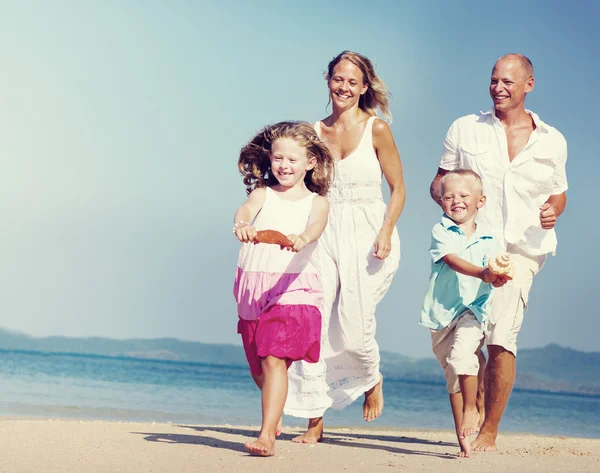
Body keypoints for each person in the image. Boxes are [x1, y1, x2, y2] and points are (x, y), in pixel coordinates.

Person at [429, 53, 568, 451]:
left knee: (502, 336)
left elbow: (559, 192)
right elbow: (438, 184)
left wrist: (553, 210)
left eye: (508, 81)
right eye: (493, 80)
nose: (498, 88)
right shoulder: (464, 129)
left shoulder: (552, 140)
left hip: (522, 249)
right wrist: (453, 210)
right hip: (472, 246)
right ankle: (474, 401)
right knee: (456, 342)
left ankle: (489, 430)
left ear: (529, 84)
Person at [286, 50, 406, 443]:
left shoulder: (377, 129)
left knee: (354, 326)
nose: (344, 87)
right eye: (339, 79)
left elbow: (399, 188)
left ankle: (371, 377)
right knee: (315, 323)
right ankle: (314, 421)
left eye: (353, 82)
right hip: (323, 228)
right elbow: (292, 177)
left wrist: (386, 230)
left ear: (364, 86)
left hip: (369, 232)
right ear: (328, 80)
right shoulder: (311, 131)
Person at [233, 121, 334, 456]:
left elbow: (317, 225)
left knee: (274, 356)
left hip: (295, 285)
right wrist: (243, 225)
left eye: (292, 159)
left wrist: (304, 237)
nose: (284, 166)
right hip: (254, 286)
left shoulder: (316, 202)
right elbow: (245, 210)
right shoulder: (262, 194)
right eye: (278, 158)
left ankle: (266, 437)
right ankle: (273, 412)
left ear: (310, 162)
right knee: (259, 366)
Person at [421, 170, 506, 457]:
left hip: (474, 309)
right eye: (448, 197)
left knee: (461, 356)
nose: (455, 201)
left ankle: (472, 408)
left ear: (480, 201)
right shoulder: (441, 230)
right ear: (441, 202)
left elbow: (494, 267)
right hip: (441, 314)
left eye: (463, 196)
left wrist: (496, 275)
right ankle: (464, 443)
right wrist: (484, 273)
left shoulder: (490, 236)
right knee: (454, 376)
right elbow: (452, 260)